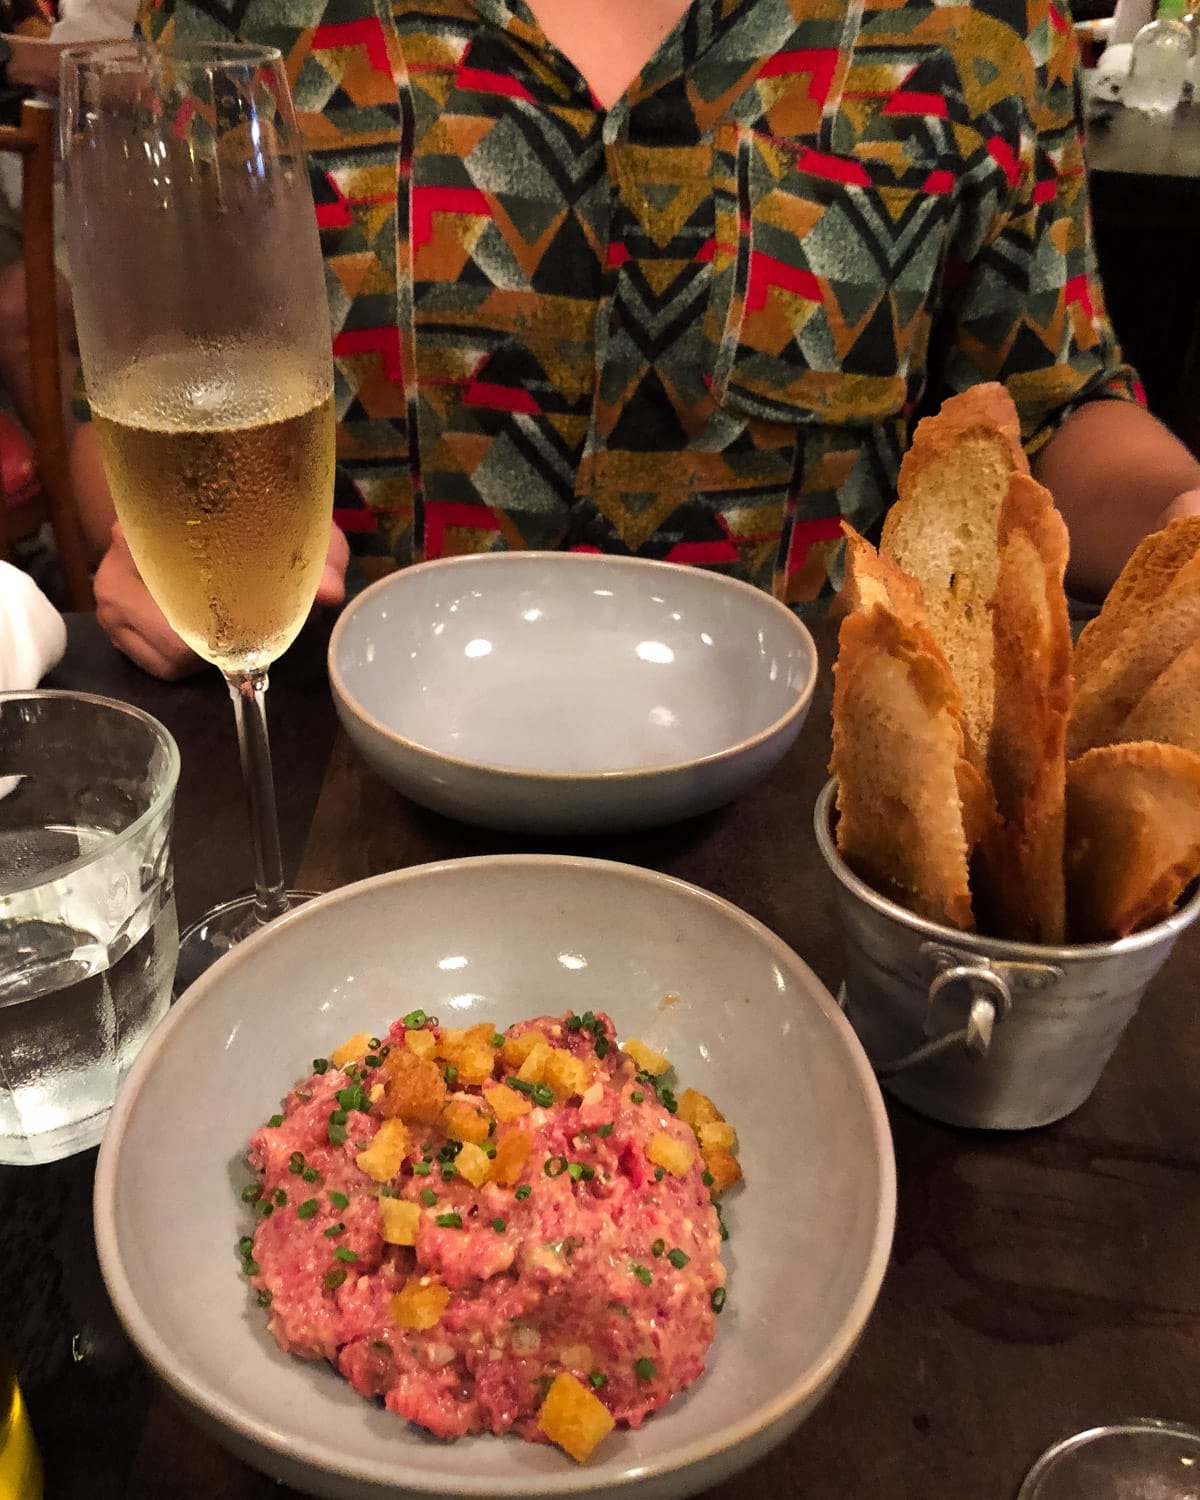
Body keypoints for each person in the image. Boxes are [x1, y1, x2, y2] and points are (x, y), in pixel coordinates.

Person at [78, 0, 1200, 679]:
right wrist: (142, 539)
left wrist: (1179, 523)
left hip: (804, 846)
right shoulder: (241, 20)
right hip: (341, 814)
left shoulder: (980, 26)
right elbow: (136, 405)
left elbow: (1052, 406)